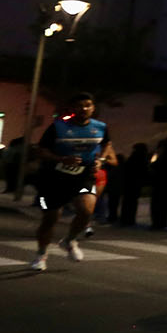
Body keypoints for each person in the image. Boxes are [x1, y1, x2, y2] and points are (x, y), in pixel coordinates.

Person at [28, 92, 116, 271]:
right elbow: (40, 151)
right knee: (50, 218)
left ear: (93, 108)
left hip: (83, 176)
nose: (84, 109)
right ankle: (41, 255)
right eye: (79, 105)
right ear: (72, 108)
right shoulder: (57, 127)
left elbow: (107, 144)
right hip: (54, 178)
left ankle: (69, 241)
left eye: (88, 105)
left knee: (86, 211)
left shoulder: (100, 127)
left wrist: (101, 160)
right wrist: (61, 159)